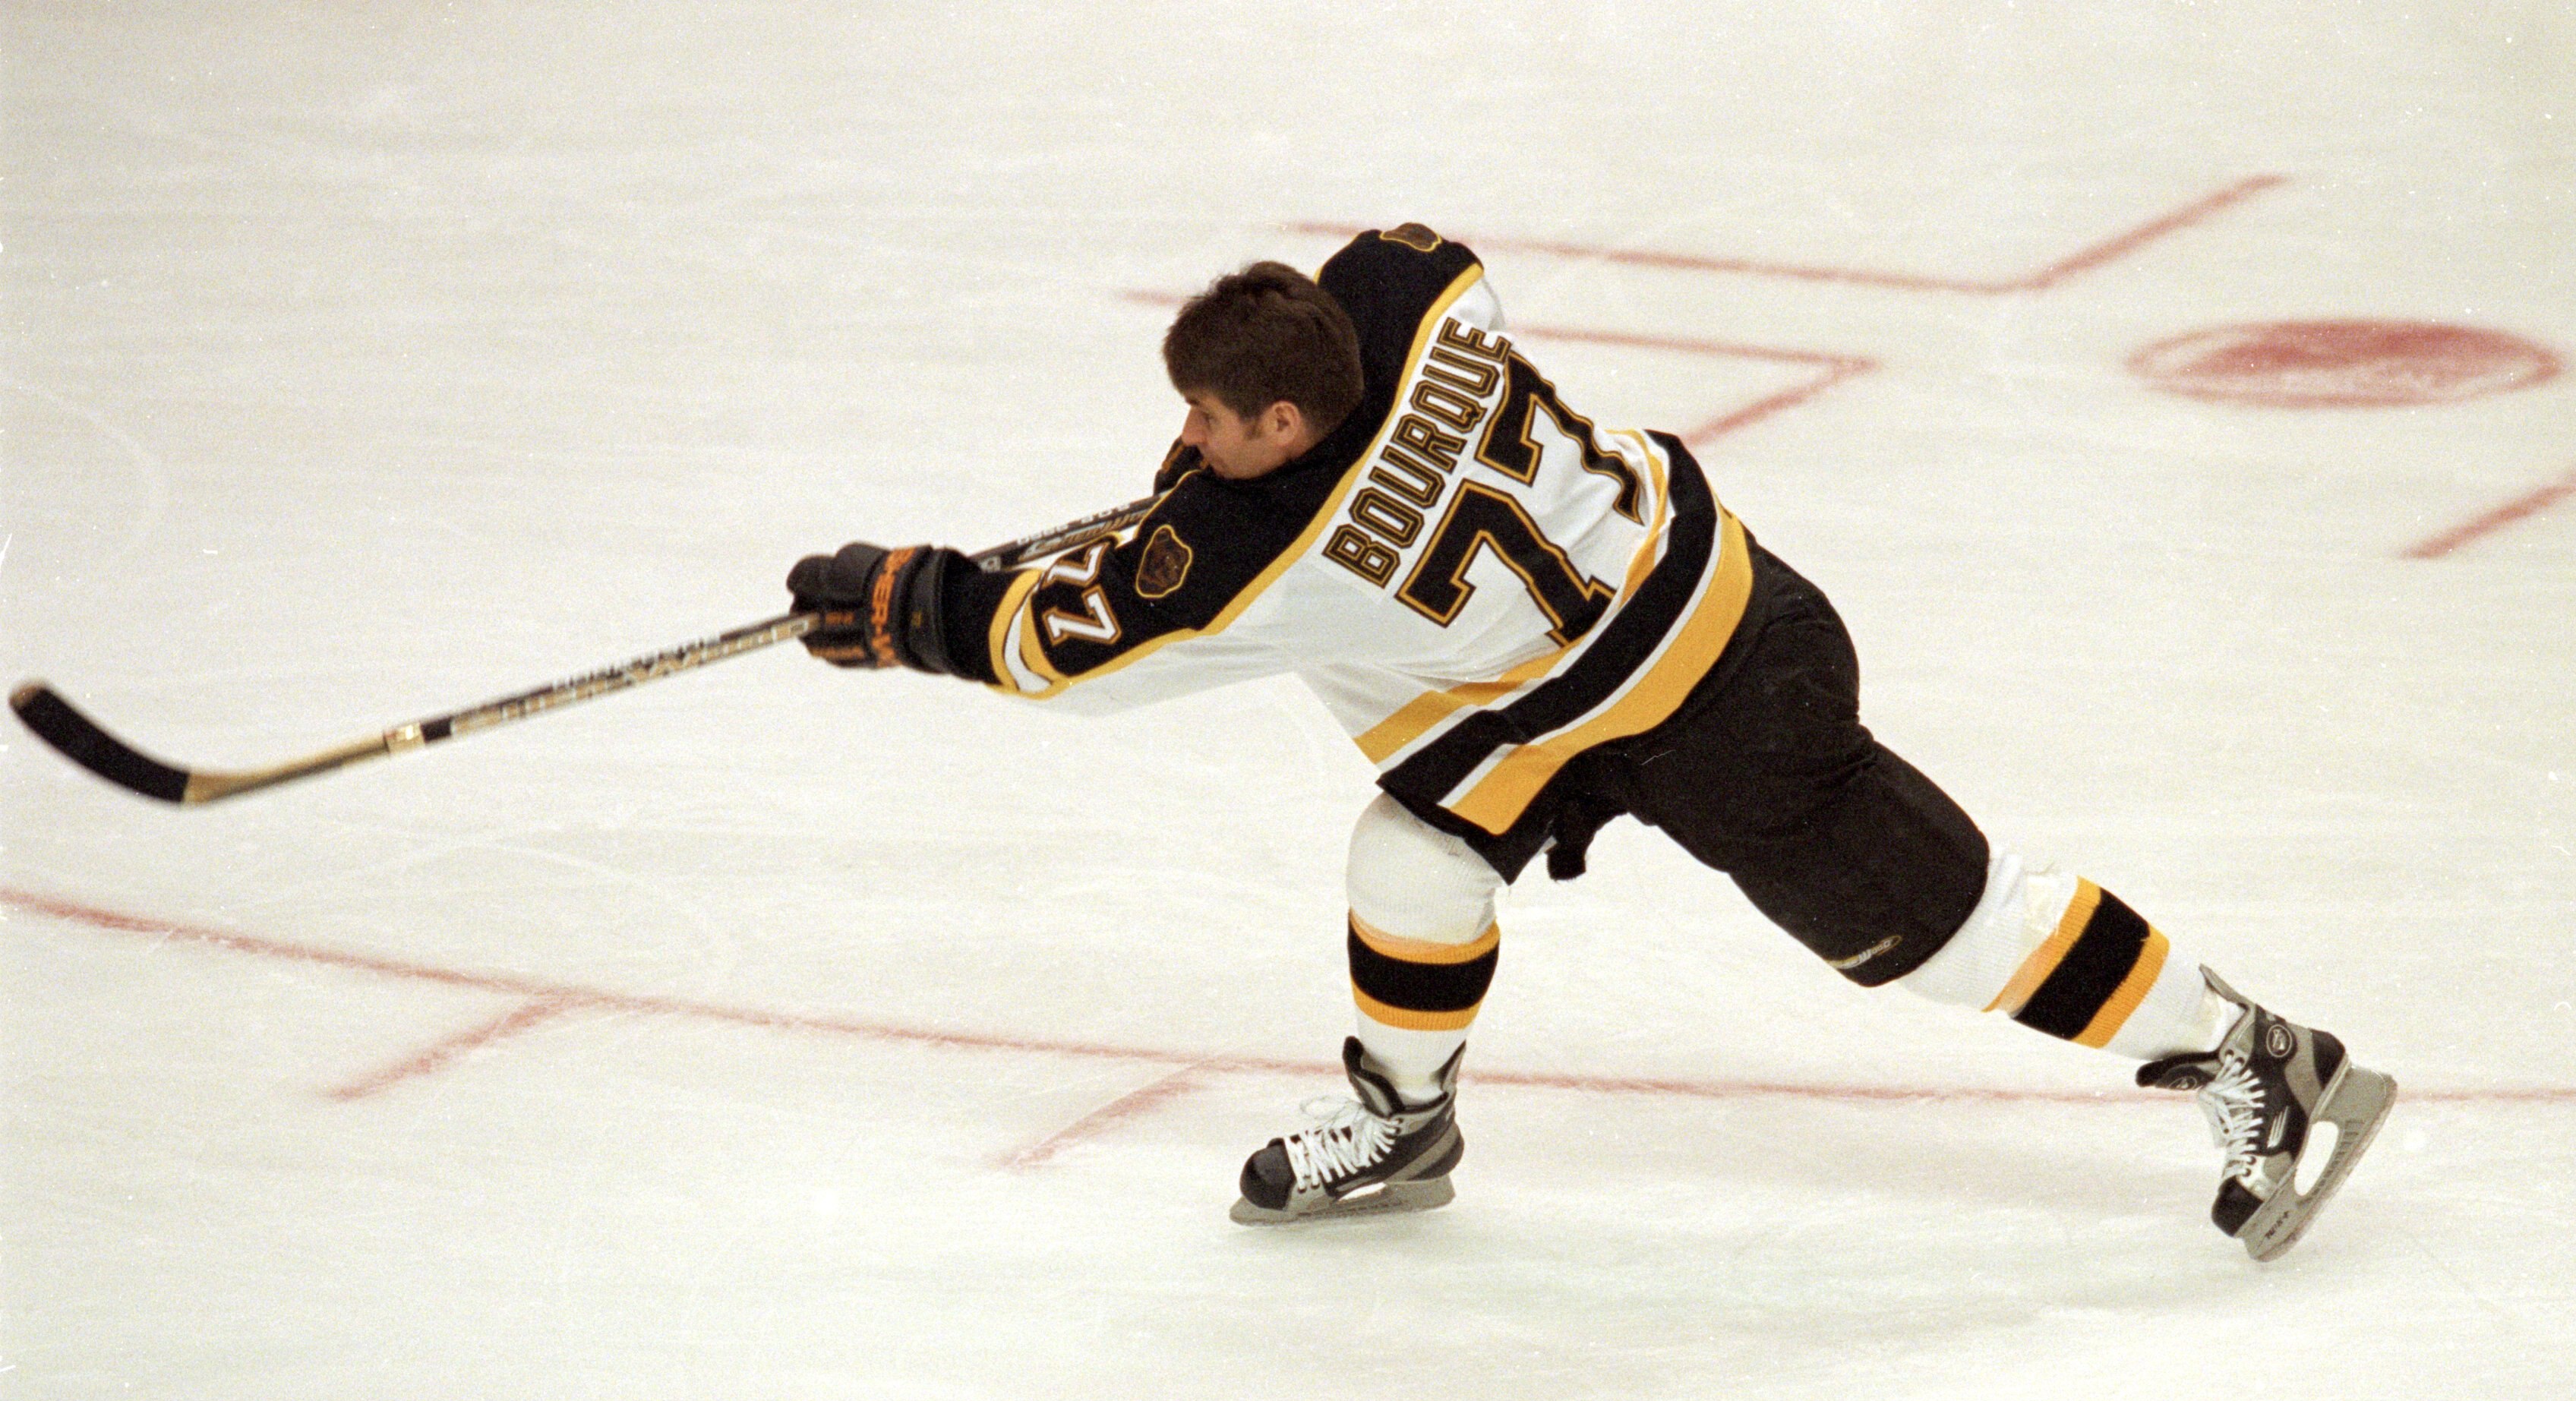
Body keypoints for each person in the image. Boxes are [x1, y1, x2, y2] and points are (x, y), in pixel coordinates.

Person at [784, 223, 2394, 1261]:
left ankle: (2259, 1051)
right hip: (1568, 679)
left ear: (1281, 427)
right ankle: (1408, 1120)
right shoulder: (1408, 299)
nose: (1192, 440)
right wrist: (1233, 473)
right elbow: (1422, 257)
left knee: (1934, 929)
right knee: (1412, 851)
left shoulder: (1259, 553)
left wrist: (906, 604)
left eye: (1215, 420)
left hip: (1726, 697)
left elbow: (1062, 653)